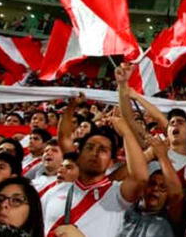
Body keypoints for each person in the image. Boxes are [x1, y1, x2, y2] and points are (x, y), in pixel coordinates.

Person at [42, 64, 149, 236]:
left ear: (112, 161)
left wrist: (126, 131)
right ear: (79, 154)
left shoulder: (117, 194)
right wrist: (72, 107)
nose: (95, 152)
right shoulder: (54, 192)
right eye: (90, 147)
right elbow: (64, 138)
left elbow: (141, 177)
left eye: (104, 150)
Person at [119, 136, 183, 237]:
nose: (155, 188)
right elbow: (112, 180)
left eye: (162, 187)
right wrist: (150, 154)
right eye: (152, 183)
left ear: (167, 196)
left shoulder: (168, 222)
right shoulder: (124, 208)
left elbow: (176, 193)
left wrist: (162, 156)